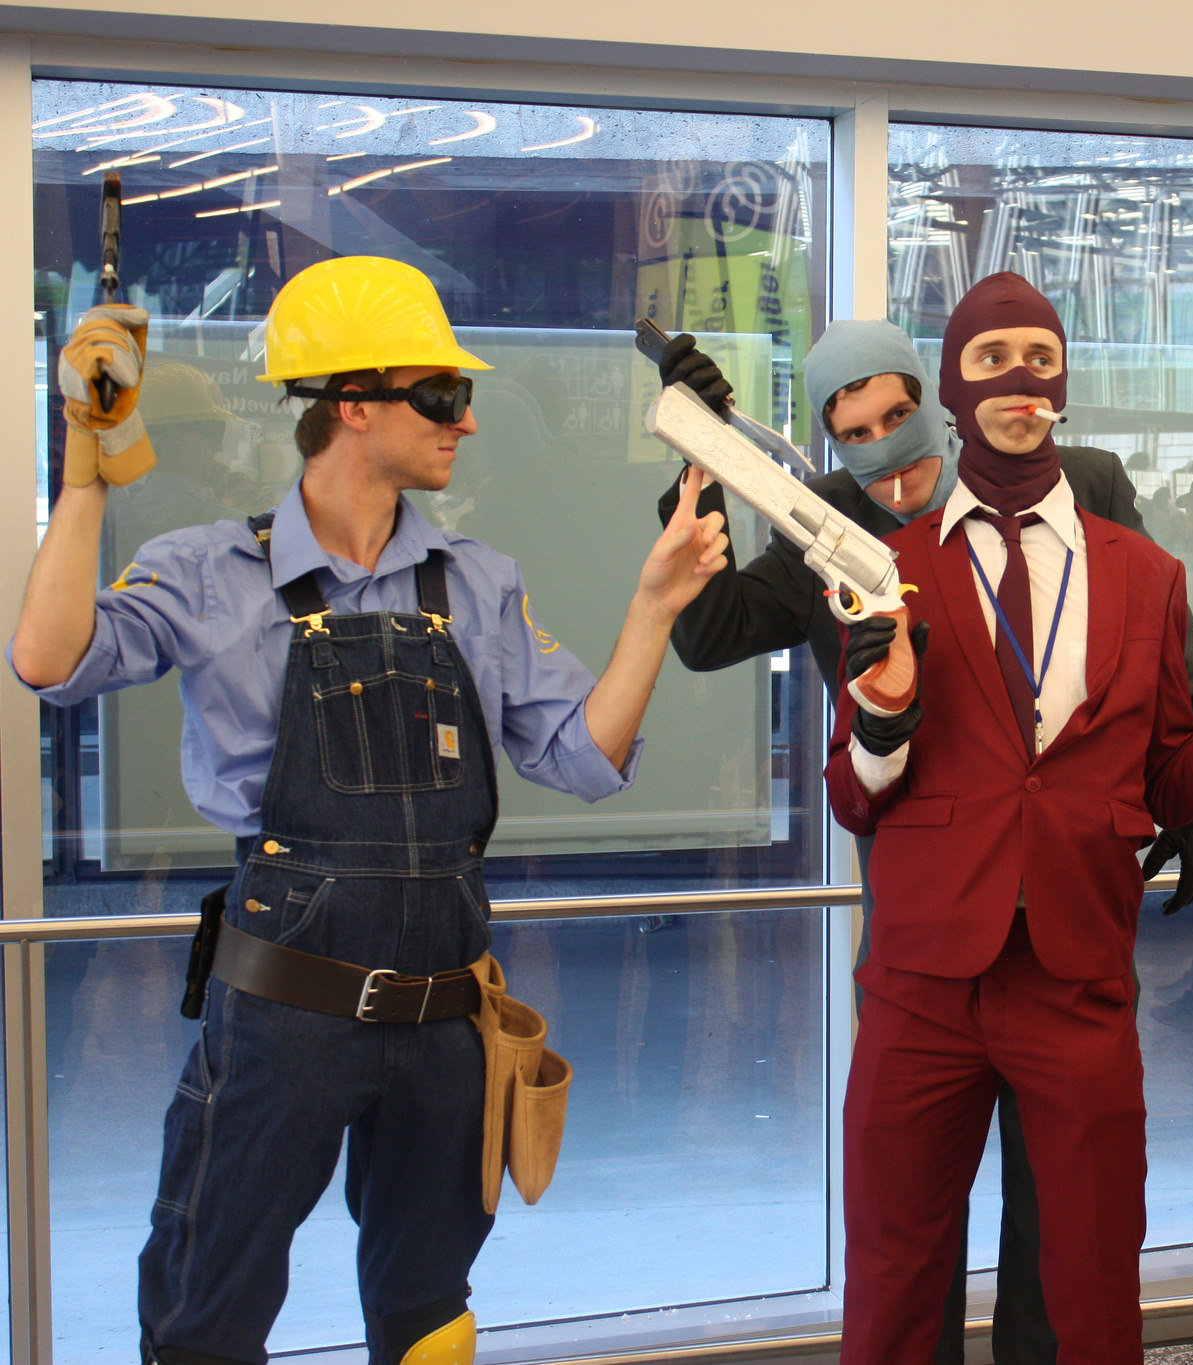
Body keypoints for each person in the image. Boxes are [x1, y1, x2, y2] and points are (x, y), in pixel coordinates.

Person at [10, 257, 730, 1365]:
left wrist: (653, 606)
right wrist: (86, 472)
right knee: (207, 1307)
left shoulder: (477, 580)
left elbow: (583, 757)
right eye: (441, 395)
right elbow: (50, 659)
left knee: (428, 1317)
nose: (467, 421)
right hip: (282, 1017)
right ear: (351, 404)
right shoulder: (208, 570)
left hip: (446, 1018)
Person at [825, 272, 1193, 1363]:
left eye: (1039, 358)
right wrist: (884, 717)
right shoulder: (884, 568)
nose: (1019, 379)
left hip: (1075, 973)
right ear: (951, 388)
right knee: (892, 1276)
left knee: (1092, 1282)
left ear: (1064, 383)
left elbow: (1165, 782)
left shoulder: (1146, 574)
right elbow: (851, 795)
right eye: (992, 360)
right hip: (920, 981)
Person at [651, 317, 1193, 1363]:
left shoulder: (1081, 482)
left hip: (1065, 918)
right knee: (907, 1222)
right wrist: (705, 459)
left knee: (1065, 1220)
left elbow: (1167, 643)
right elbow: (706, 631)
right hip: (924, 924)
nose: (887, 454)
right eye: (854, 432)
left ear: (937, 401)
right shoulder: (825, 524)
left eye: (899, 416)